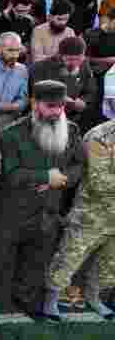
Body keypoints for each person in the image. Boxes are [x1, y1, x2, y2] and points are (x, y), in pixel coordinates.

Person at [0, 80, 84, 321]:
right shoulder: (11, 134)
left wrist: (62, 179)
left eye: (60, 107)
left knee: (35, 260)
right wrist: (44, 176)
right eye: (50, 107)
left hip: (48, 209)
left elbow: (78, 164)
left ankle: (25, 300)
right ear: (34, 103)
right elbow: (10, 173)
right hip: (11, 210)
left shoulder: (71, 130)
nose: (56, 112)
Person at [46, 117, 115, 321]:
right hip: (93, 212)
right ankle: (50, 300)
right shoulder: (100, 136)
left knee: (109, 262)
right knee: (70, 256)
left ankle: (94, 297)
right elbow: (98, 181)